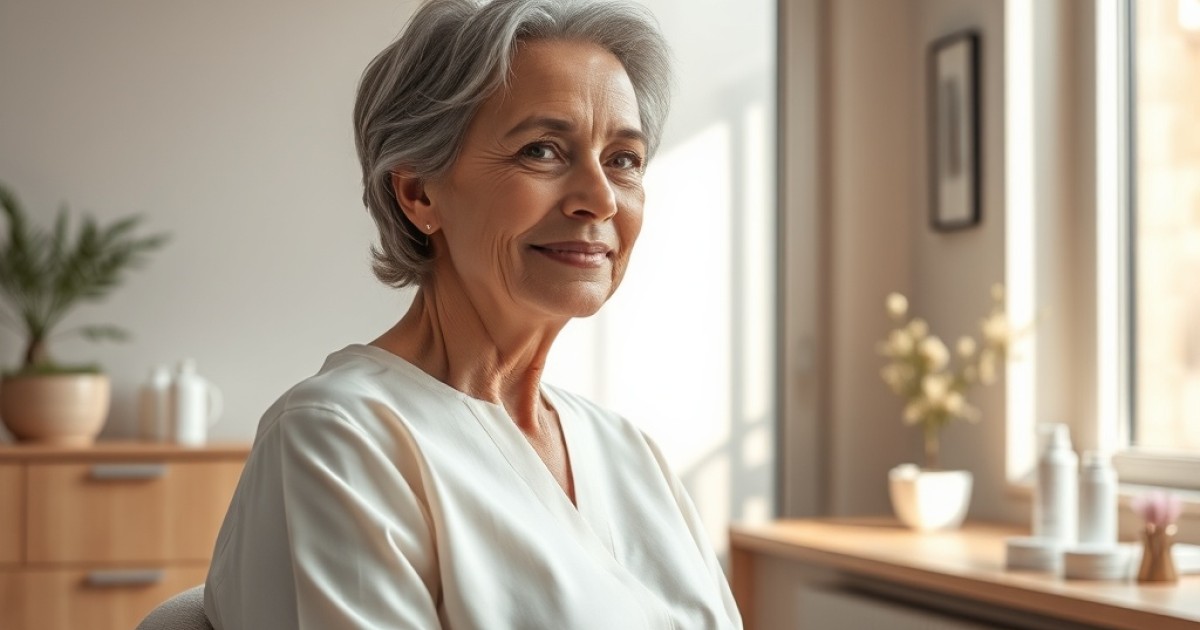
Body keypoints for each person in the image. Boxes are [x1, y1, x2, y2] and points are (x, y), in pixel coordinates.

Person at [203, 0, 742, 628]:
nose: (598, 198)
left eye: (622, 159)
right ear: (418, 192)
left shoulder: (629, 451)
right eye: (542, 151)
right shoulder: (340, 437)